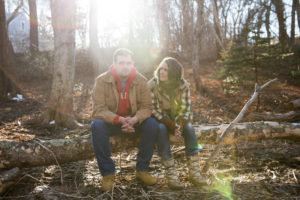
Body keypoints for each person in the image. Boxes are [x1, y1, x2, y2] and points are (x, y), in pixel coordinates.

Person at [91, 48, 158, 191]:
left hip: (134, 123)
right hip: (113, 123)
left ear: (133, 64)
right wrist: (119, 119)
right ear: (114, 64)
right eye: (121, 63)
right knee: (96, 125)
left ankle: (142, 170)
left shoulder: (141, 81)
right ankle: (108, 174)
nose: (125, 66)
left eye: (128, 63)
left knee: (152, 124)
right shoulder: (102, 81)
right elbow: (98, 109)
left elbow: (147, 107)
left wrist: (134, 119)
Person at [148, 57, 206, 189]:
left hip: (177, 118)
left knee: (190, 128)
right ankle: (171, 174)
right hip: (160, 119)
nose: (161, 72)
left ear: (173, 73)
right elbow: (154, 110)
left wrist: (179, 124)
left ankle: (195, 172)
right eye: (160, 69)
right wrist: (171, 125)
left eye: (165, 70)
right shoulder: (153, 85)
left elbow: (186, 109)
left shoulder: (183, 86)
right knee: (161, 129)